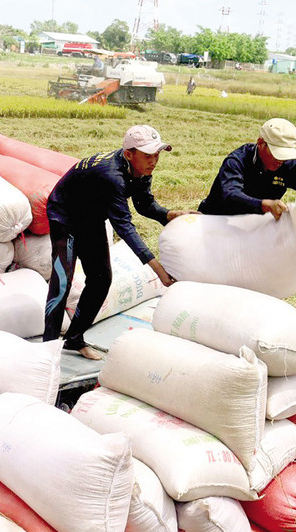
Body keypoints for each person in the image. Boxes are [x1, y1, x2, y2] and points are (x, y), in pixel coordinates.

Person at [43, 125, 189, 360]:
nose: (154, 161)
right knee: (63, 280)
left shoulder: (140, 169)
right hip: (65, 216)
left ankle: (74, 338)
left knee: (101, 279)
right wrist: (158, 270)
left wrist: (168, 214)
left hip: (91, 217)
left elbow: (144, 205)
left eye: (157, 154)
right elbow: (125, 227)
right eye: (148, 156)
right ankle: (47, 348)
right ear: (130, 154)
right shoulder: (112, 176)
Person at [198, 118, 296, 253]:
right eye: (276, 153)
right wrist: (264, 205)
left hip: (252, 232)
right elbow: (230, 195)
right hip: (216, 223)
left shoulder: (289, 166)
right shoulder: (238, 161)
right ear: (261, 143)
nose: (280, 160)